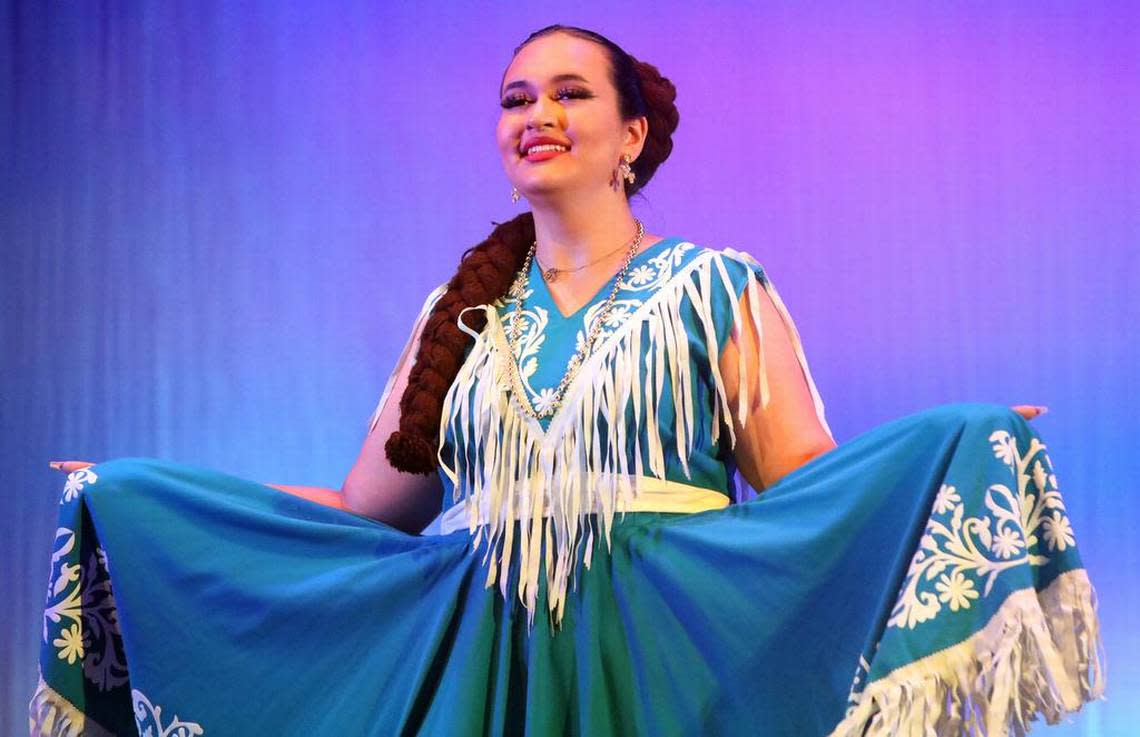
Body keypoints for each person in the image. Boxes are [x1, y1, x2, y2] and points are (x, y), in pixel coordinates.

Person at [35, 24, 1102, 737]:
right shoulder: (456, 316)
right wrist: (148, 495)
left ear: (630, 135)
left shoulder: (712, 287)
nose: (535, 111)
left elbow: (807, 485)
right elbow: (369, 511)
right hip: (475, 668)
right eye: (515, 97)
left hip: (667, 656)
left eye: (568, 92)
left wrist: (953, 440)